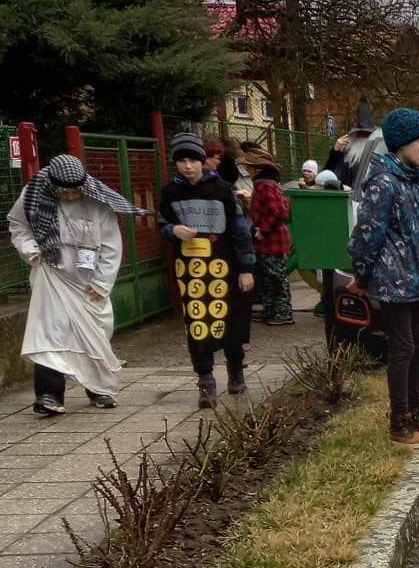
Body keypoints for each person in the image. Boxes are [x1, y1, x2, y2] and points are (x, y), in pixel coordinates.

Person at [348, 108, 419, 447]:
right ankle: (400, 421)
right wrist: (362, 275)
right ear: (402, 143)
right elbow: (366, 235)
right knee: (403, 347)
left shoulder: (410, 182)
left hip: (413, 281)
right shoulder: (384, 183)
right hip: (394, 282)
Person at [7, 152, 142, 414]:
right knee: (49, 333)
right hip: (52, 274)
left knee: (95, 333)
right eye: (64, 193)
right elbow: (18, 225)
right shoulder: (33, 194)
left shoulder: (98, 202)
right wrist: (31, 250)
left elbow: (112, 246)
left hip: (88, 283)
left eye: (75, 192)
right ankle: (49, 395)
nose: (70, 197)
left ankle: (99, 390)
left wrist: (102, 283)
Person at [160, 131, 257, 410]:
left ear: (202, 161)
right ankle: (206, 382)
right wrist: (173, 230)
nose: (188, 166)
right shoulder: (171, 192)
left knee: (232, 322)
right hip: (191, 271)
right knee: (197, 326)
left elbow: (240, 231)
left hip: (225, 267)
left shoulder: (222, 189)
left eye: (193, 160)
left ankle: (236, 372)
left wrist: (246, 268)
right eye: (182, 161)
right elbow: (161, 223)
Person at [243, 148, 294, 326]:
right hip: (270, 240)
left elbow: (279, 212)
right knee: (269, 277)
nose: (246, 170)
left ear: (257, 169)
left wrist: (263, 229)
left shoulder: (264, 186)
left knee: (275, 277)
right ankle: (273, 311)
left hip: (271, 240)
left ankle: (283, 312)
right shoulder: (268, 184)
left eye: (249, 167)